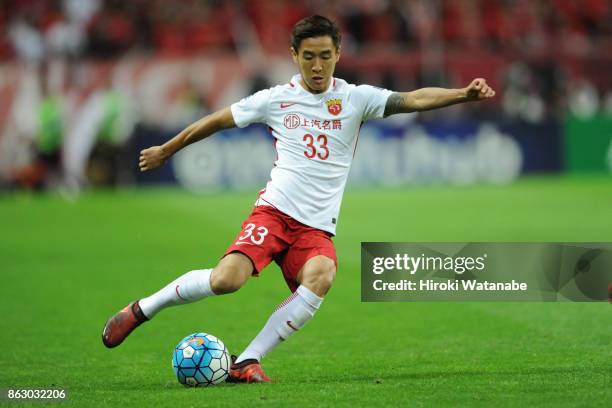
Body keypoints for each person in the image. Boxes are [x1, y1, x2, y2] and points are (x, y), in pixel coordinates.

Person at [102, 15, 495, 383]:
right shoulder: (275, 99)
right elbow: (218, 120)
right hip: (274, 213)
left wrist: (463, 94)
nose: (318, 66)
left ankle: (247, 361)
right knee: (226, 281)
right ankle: (141, 309)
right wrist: (167, 150)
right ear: (295, 56)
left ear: (338, 53)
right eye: (309, 57)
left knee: (323, 274)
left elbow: (412, 99)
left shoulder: (356, 98)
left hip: (316, 227)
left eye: (326, 56)